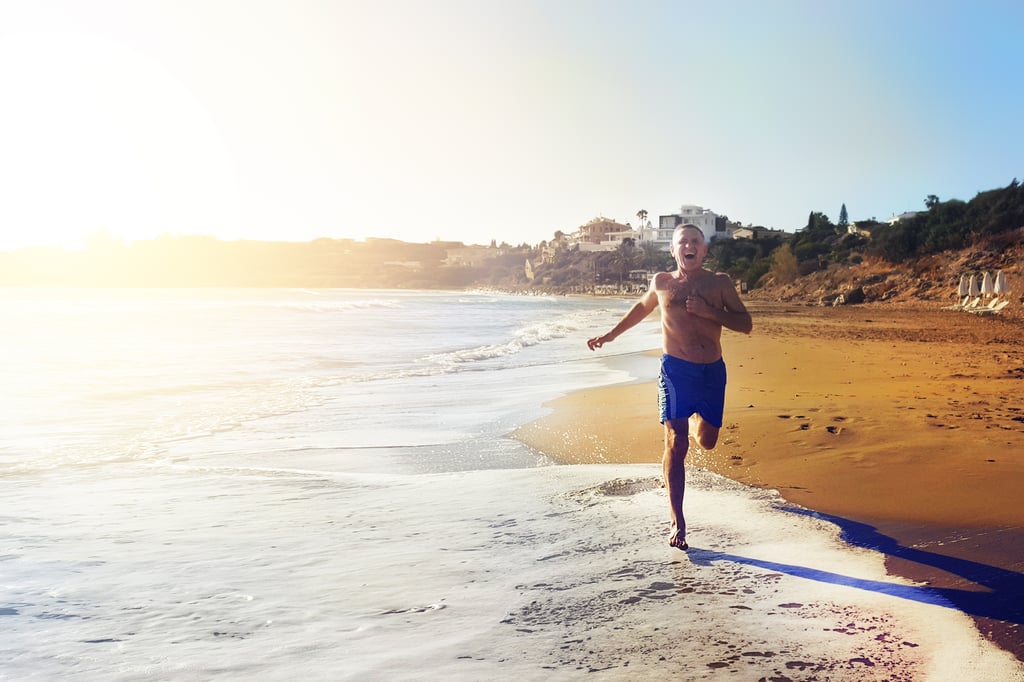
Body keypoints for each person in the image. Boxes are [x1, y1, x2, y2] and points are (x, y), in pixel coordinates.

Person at [587, 224, 752, 550]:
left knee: (706, 441)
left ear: (704, 251)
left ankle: (692, 420)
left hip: (712, 373)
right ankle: (677, 521)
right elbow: (641, 308)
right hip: (675, 371)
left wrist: (710, 312)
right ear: (673, 251)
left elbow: (744, 323)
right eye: (683, 242)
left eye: (695, 242)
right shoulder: (662, 282)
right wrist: (610, 335)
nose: (689, 246)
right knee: (676, 443)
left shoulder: (719, 283)